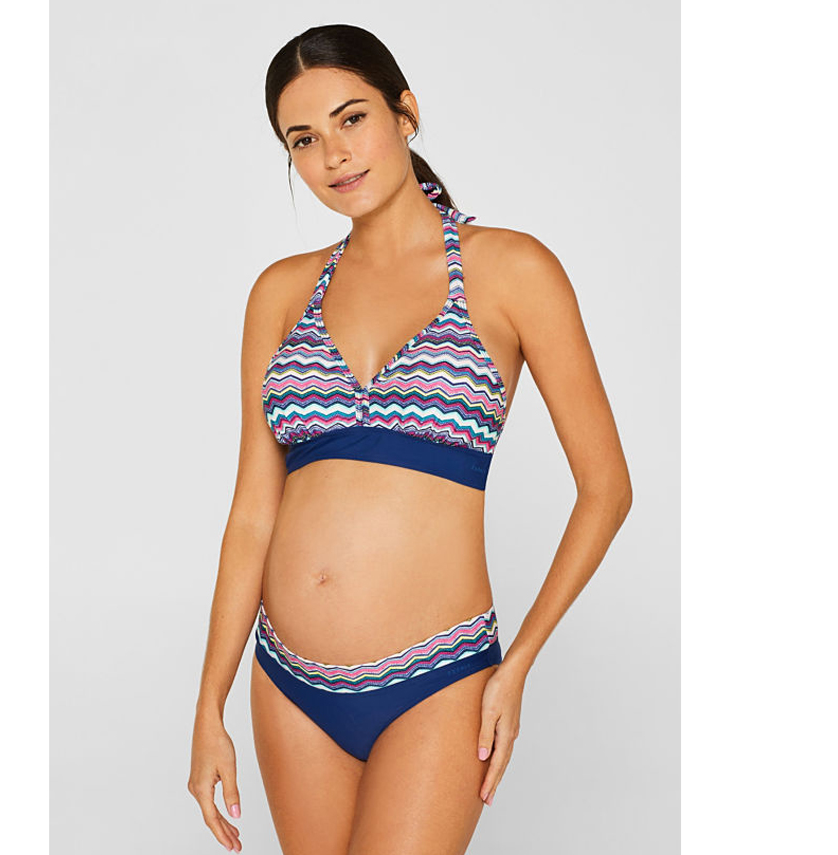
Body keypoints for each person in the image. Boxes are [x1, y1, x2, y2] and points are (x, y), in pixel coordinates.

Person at [188, 23, 632, 855]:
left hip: (440, 677)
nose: (333, 155)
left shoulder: (512, 270)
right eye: (303, 139)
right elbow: (251, 514)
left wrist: (518, 662)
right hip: (287, 683)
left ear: (406, 112)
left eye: (352, 118)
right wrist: (208, 706)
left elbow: (607, 490)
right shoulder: (280, 293)